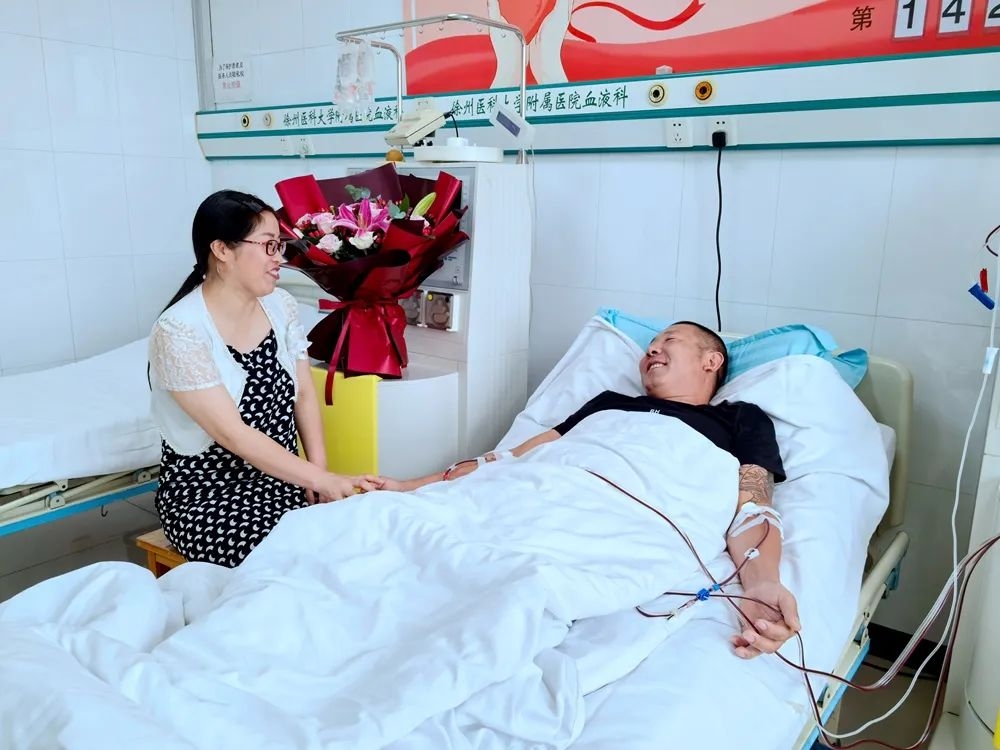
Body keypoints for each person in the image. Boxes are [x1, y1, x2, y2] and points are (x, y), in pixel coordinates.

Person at [378, 321, 800, 658]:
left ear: (711, 360)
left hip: (623, 517)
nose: (651, 350)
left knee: (512, 585)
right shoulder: (608, 403)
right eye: (649, 346)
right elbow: (510, 458)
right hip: (535, 491)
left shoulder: (741, 418)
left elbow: (753, 505)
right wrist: (409, 488)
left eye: (668, 340)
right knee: (395, 534)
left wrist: (761, 583)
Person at [147, 190, 378, 568]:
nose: (279, 259)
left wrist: (318, 476)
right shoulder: (179, 330)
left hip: (284, 480)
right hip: (210, 498)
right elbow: (233, 434)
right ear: (222, 250)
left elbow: (304, 395)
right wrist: (321, 480)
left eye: (279, 245)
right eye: (269, 246)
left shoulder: (281, 305)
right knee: (293, 561)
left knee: (358, 537)